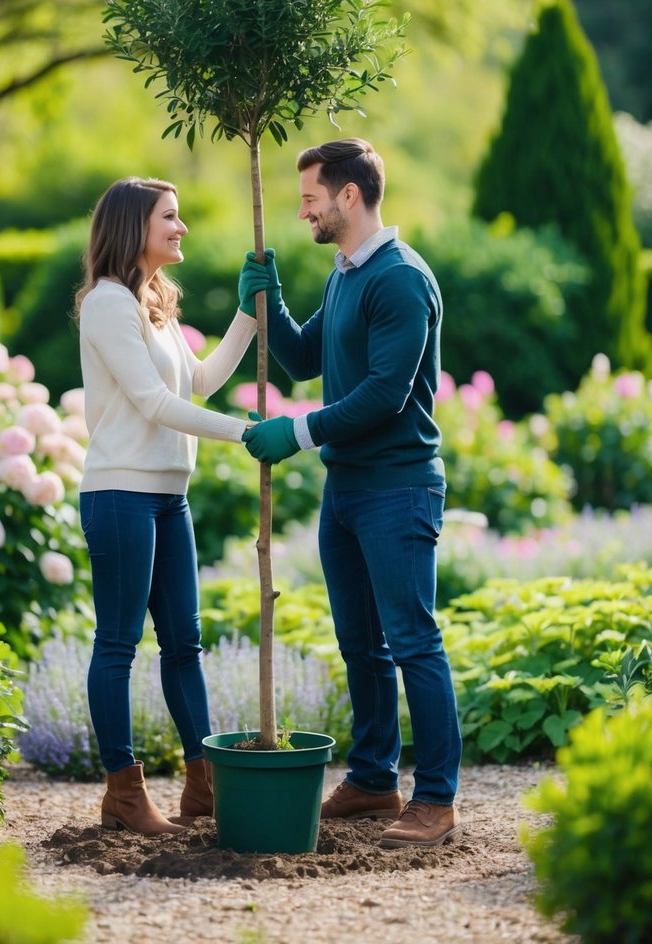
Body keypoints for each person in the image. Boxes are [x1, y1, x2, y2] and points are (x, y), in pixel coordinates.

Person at [239, 138, 462, 849]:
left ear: (348, 196)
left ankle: (435, 800)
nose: (301, 209)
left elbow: (384, 396)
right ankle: (371, 780)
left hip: (397, 489)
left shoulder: (398, 279)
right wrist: (265, 303)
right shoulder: (344, 272)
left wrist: (297, 434)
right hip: (347, 491)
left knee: (413, 643)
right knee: (360, 645)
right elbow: (307, 361)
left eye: (309, 197)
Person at [76, 176, 260, 836]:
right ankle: (123, 793)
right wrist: (246, 433)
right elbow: (154, 405)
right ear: (134, 226)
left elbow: (201, 381)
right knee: (119, 644)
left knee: (185, 643)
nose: (181, 228)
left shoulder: (154, 305)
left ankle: (201, 787)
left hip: (167, 498)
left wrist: (249, 311)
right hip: (119, 494)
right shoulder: (106, 303)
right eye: (169, 218)